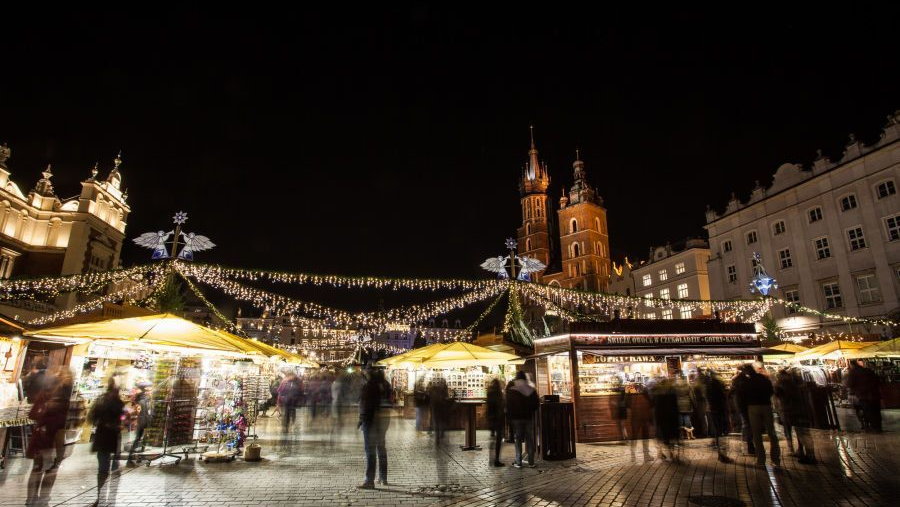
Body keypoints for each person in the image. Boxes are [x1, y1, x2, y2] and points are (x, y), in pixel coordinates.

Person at [25, 366, 66, 506]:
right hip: (52, 440)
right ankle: (41, 500)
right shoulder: (62, 400)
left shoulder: (45, 396)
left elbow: (32, 414)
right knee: (49, 470)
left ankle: (32, 500)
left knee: (38, 469)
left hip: (43, 439)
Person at [89, 379, 125, 507]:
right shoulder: (119, 402)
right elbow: (122, 417)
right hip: (113, 436)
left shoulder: (101, 400)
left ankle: (100, 497)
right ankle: (108, 496)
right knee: (113, 466)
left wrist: (101, 422)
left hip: (103, 434)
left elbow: (92, 416)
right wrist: (120, 423)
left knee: (103, 467)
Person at [738, 362, 780, 467]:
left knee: (756, 434)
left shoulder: (747, 382)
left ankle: (761, 460)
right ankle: (776, 459)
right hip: (766, 405)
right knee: (772, 433)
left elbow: (742, 396)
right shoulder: (763, 379)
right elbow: (771, 391)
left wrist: (743, 408)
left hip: (753, 406)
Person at [357, 367, 392, 489]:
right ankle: (383, 477)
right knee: (381, 448)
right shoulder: (386, 385)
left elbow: (365, 405)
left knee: (370, 450)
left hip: (370, 421)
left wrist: (361, 419)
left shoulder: (369, 386)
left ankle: (369, 481)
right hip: (384, 420)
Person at [506, 371, 539, 468]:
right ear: (525, 378)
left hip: (516, 419)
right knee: (530, 439)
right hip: (528, 418)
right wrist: (530, 410)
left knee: (518, 439)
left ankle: (518, 461)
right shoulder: (531, 389)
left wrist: (510, 417)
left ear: (516, 378)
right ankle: (531, 462)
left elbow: (508, 406)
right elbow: (536, 404)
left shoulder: (512, 390)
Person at [846, 359, 882, 433]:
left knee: (868, 411)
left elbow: (849, 384)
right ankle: (878, 427)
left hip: (864, 395)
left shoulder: (853, 372)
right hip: (874, 394)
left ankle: (873, 428)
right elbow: (877, 380)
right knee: (876, 411)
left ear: (851, 365)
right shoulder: (867, 370)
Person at [703, 370, 732, 463]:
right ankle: (723, 454)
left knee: (718, 431)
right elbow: (723, 398)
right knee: (722, 431)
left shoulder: (708, 386)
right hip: (719, 410)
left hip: (712, 410)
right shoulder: (716, 385)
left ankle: (721, 453)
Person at [730, 365, 755, 455]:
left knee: (746, 424)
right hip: (748, 405)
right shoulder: (748, 381)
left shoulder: (736, 381)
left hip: (741, 406)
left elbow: (731, 393)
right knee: (749, 424)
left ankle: (747, 444)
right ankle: (750, 445)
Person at [126, 383, 152, 466]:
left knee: (141, 439)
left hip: (142, 422)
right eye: (148, 390)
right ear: (144, 390)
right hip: (142, 422)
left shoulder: (144, 399)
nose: (150, 391)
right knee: (138, 440)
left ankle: (139, 457)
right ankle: (130, 459)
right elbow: (142, 412)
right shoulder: (143, 400)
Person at [486, 378, 506, 467]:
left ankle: (491, 458)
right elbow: (501, 406)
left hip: (491, 418)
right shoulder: (499, 394)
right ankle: (496, 460)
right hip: (499, 419)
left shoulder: (489, 393)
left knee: (492, 439)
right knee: (498, 440)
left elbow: (488, 407)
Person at [428, 377, 450, 446]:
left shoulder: (434, 389)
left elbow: (430, 398)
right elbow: (446, 398)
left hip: (435, 408)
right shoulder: (444, 390)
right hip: (442, 408)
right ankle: (441, 434)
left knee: (437, 422)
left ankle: (437, 437)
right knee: (441, 422)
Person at [673, 372, 695, 439]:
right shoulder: (687, 385)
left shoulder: (674, 386)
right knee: (687, 418)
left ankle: (681, 435)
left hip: (678, 404)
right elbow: (691, 396)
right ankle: (689, 435)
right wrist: (694, 404)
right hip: (687, 404)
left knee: (680, 419)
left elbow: (673, 396)